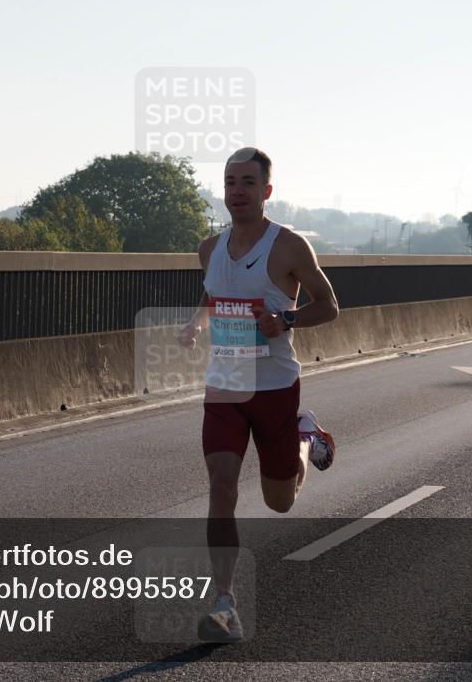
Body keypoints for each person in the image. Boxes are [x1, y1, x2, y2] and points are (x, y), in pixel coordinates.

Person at [177, 147, 340, 641]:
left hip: (274, 388)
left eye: (248, 183)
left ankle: (306, 437)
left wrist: (286, 318)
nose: (237, 191)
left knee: (280, 502)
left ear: (266, 191)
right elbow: (214, 292)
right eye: (230, 182)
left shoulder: (288, 246)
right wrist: (196, 322)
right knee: (221, 486)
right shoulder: (209, 248)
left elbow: (329, 305)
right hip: (224, 388)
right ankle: (225, 602)